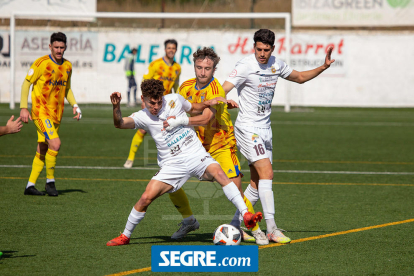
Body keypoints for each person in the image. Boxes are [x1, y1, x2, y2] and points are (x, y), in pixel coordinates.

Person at [106, 79, 262, 246]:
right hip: (172, 164)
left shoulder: (174, 99)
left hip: (195, 154)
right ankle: (126, 235)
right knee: (145, 197)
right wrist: (116, 107)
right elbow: (119, 124)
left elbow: (195, 107)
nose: (156, 106)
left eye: (159, 102)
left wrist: (210, 102)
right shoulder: (142, 116)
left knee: (219, 173)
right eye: (152, 103)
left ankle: (246, 215)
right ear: (143, 98)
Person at [221, 29, 335, 243]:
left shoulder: (277, 64)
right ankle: (271, 227)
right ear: (253, 47)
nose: (261, 54)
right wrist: (223, 98)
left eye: (266, 50)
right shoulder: (245, 65)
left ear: (273, 48)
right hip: (247, 128)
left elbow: (300, 77)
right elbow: (222, 88)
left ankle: (235, 224)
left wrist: (324, 66)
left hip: (265, 129)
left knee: (256, 182)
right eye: (258, 49)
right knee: (268, 173)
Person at [164, 47, 268, 245]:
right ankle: (189, 221)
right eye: (199, 67)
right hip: (194, 145)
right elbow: (178, 109)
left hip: (221, 144)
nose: (202, 72)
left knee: (234, 189)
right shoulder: (185, 87)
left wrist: (179, 121)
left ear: (214, 69)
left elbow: (205, 119)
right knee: (169, 180)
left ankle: (255, 229)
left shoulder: (216, 89)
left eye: (207, 68)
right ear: (194, 66)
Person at [20, 32, 82, 197]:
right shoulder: (41, 63)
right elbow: (26, 84)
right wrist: (23, 108)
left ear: (65, 47)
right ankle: (50, 182)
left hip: (57, 115)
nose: (59, 50)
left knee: (43, 148)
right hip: (41, 113)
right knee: (55, 144)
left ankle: (30, 186)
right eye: (56, 47)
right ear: (50, 47)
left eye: (62, 47)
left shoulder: (67, 66)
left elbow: (67, 88)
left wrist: (75, 105)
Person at [124, 39, 181, 169]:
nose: (171, 50)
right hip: (153, 103)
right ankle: (130, 158)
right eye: (169, 48)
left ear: (176, 50)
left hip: (166, 105)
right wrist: (145, 101)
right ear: (165, 49)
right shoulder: (156, 64)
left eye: (173, 48)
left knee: (171, 130)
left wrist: (178, 102)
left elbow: (176, 87)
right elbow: (145, 82)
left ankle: (172, 160)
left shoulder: (177, 68)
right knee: (143, 130)